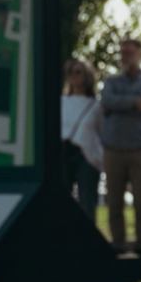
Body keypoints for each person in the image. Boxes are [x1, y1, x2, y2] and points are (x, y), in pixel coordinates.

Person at [98, 35, 141, 257]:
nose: (126, 57)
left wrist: (122, 103)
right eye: (123, 53)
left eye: (130, 53)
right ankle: (118, 245)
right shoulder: (111, 82)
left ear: (140, 55)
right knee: (114, 202)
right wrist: (134, 102)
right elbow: (107, 101)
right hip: (114, 149)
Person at [60, 58, 103, 220]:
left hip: (87, 156)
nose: (74, 76)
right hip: (64, 153)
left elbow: (101, 132)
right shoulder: (61, 102)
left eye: (78, 72)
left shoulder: (96, 106)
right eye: (70, 72)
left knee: (87, 201)